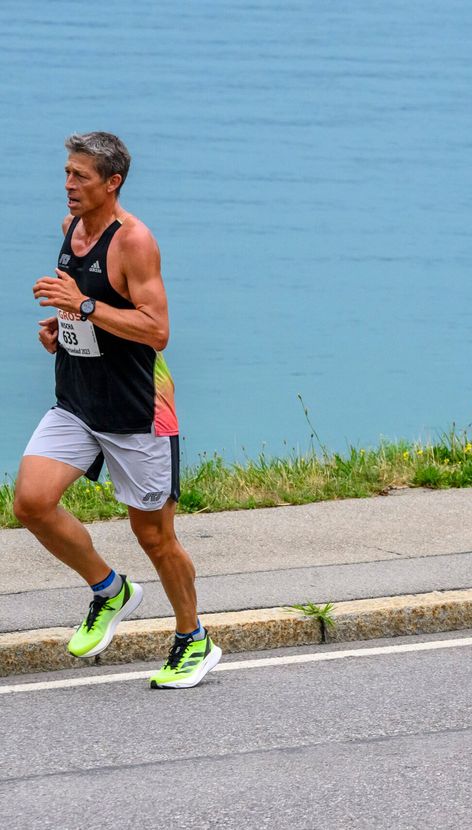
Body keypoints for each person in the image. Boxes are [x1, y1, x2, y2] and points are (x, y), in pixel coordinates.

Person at [13, 132, 221, 688]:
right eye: (66, 173)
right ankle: (110, 590)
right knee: (31, 502)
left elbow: (156, 330)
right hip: (78, 402)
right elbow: (98, 310)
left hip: (138, 409)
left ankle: (192, 638)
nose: (67, 186)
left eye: (79, 176)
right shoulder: (69, 232)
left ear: (113, 182)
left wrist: (81, 305)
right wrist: (64, 327)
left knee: (154, 537)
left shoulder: (135, 242)